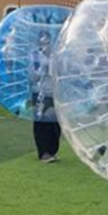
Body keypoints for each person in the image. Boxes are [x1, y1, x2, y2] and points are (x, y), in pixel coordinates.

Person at [30, 30, 61, 162]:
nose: (46, 45)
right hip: (39, 92)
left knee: (55, 123)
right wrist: (42, 69)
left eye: (48, 42)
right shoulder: (34, 55)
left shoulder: (57, 55)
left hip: (55, 92)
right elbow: (32, 77)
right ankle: (43, 152)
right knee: (41, 123)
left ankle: (52, 150)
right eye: (43, 42)